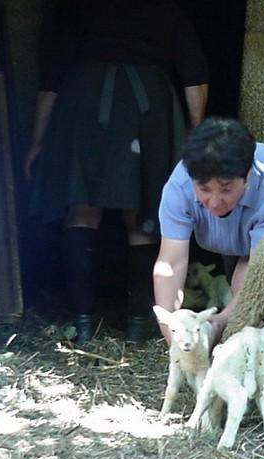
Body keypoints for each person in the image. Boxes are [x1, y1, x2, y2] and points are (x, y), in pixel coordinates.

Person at [23, 0, 209, 344]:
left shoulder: (81, 9)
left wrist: (37, 139)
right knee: (142, 218)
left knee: (81, 211)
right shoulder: (169, 11)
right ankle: (139, 325)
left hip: (86, 100)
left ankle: (82, 324)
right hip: (149, 108)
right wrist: (197, 137)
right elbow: (194, 77)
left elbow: (53, 77)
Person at [154, 117, 264, 344]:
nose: (214, 201)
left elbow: (256, 267)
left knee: (260, 297)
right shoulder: (179, 187)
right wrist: (173, 336)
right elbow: (171, 264)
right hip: (234, 233)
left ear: (247, 177)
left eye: (225, 189)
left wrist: (221, 323)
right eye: (203, 189)